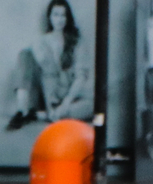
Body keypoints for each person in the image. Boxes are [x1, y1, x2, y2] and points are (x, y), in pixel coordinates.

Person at [5, 0, 93, 130]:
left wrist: (66, 104)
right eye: (56, 15)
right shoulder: (42, 42)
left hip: (71, 97)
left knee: (91, 106)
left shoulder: (77, 41)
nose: (59, 20)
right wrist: (51, 104)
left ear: (68, 18)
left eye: (63, 15)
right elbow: (47, 77)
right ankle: (22, 110)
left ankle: (44, 115)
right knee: (25, 54)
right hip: (51, 97)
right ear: (50, 17)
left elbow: (81, 77)